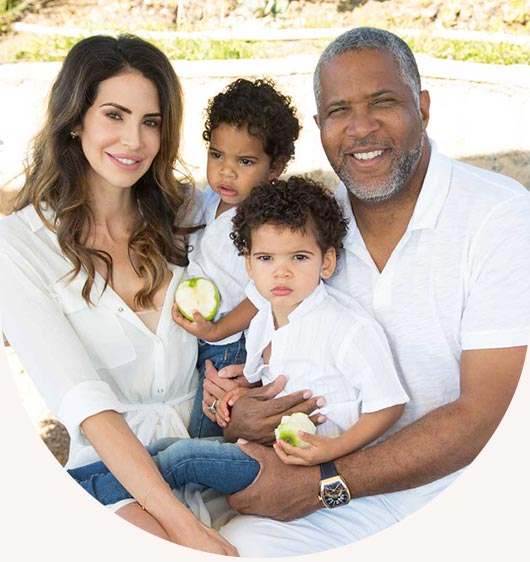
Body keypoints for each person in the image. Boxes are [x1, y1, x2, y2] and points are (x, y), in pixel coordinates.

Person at [194, 28, 530, 556]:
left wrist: (323, 483)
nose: (360, 127)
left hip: (459, 489)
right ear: (320, 125)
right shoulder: (309, 229)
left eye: (383, 102)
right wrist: (240, 409)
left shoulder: (499, 217)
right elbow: (270, 352)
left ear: (422, 106)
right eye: (338, 110)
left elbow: (486, 414)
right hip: (333, 485)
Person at [0, 34, 239, 556]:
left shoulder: (193, 215)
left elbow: (277, 264)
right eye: (114, 114)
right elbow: (86, 404)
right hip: (112, 480)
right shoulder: (17, 245)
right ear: (74, 118)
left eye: (151, 122)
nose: (134, 140)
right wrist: (179, 523)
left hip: (216, 458)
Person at [66, 176, 409, 506]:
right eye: (266, 258)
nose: (281, 271)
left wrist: (332, 452)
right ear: (248, 264)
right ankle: (73, 483)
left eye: (299, 257)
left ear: (327, 262)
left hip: (309, 465)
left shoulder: (346, 328)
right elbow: (269, 379)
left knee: (184, 458)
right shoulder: (262, 320)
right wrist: (238, 391)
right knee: (168, 446)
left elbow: (390, 404)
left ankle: (82, 499)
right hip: (266, 446)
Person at [173, 78, 301, 438]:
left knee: (209, 426)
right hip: (200, 335)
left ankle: (206, 484)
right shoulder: (207, 202)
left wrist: (217, 330)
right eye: (217, 155)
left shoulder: (263, 223)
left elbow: (261, 296)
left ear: (274, 168)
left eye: (245, 161)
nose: (226, 171)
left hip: (232, 343)